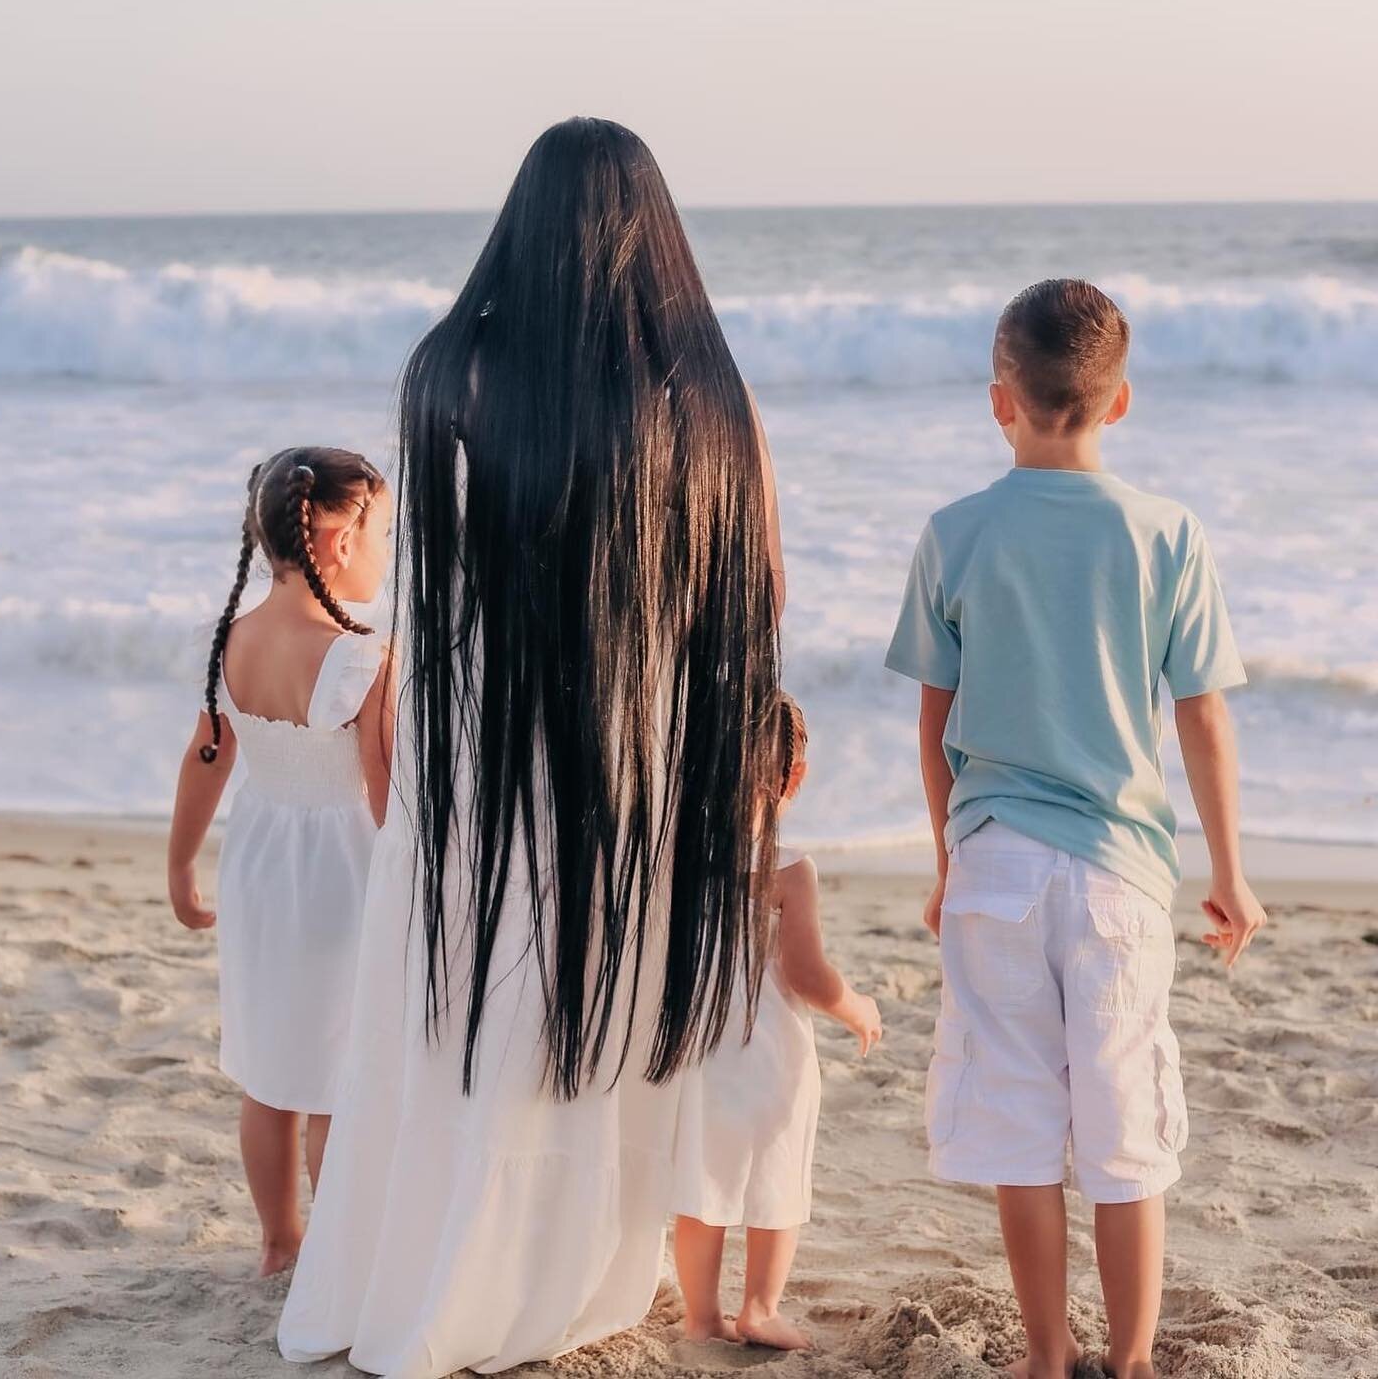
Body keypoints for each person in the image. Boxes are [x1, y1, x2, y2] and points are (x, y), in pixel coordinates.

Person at [278, 118, 786, 1375]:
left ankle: (428, 1253)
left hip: (476, 728)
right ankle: (565, 1266)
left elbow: (437, 590)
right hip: (626, 716)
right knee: (584, 978)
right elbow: (757, 585)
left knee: (469, 980)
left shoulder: (448, 371)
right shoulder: (701, 393)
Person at [885, 278, 1266, 1379]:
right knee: (1125, 1125)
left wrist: (948, 859)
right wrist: (1231, 874)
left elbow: (936, 720)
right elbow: (1202, 716)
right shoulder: (1167, 533)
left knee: (1015, 1120)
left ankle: (1048, 1358)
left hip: (996, 861)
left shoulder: (956, 532)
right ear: (1120, 402)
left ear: (999, 400)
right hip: (1119, 877)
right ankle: (1135, 1360)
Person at [168, 447, 394, 1275]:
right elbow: (383, 796)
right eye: (383, 534)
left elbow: (208, 757)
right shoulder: (361, 656)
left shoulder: (229, 640)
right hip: (345, 874)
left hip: (259, 864)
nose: (384, 555)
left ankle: (278, 1245)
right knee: (338, 1076)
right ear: (338, 540)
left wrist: (179, 868)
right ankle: (336, 1256)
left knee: (270, 1071)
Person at [671, 694, 882, 1352]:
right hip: (771, 1059)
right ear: (795, 777)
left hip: (698, 1056)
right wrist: (859, 1008)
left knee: (702, 1186)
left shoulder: (679, 860)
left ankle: (701, 1316)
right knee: (777, 1180)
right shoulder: (788, 869)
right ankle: (759, 1308)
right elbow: (808, 977)